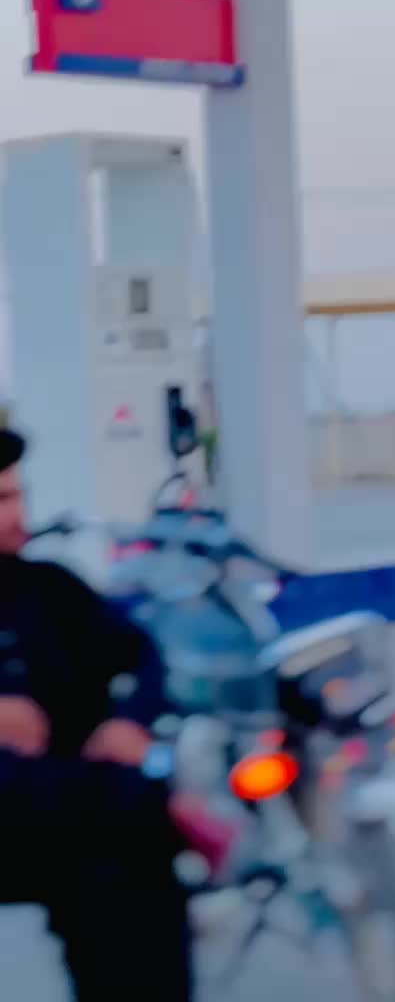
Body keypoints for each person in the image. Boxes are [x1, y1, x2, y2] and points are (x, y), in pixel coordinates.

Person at [0, 428, 199, 999]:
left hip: (76, 811)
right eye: (2, 501)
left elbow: (140, 652)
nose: (18, 516)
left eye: (18, 496)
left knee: (132, 854)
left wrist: (129, 722)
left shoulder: (48, 588)